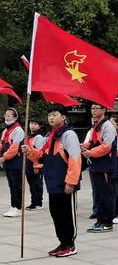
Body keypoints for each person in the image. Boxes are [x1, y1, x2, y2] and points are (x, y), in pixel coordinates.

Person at [23, 105, 81, 257]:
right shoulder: (50, 135)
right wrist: (28, 151)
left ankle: (70, 244)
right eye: (49, 115)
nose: (51, 117)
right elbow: (41, 155)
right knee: (56, 213)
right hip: (52, 182)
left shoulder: (69, 135)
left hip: (65, 183)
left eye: (55, 114)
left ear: (63, 117)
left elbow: (75, 159)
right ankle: (62, 242)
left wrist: (71, 182)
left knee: (66, 213)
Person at [81, 104, 117, 233]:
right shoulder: (95, 125)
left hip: (105, 165)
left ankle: (107, 222)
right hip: (96, 165)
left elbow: (106, 146)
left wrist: (91, 152)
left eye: (96, 108)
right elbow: (91, 142)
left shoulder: (108, 126)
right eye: (92, 108)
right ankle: (100, 220)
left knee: (106, 194)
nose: (93, 110)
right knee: (99, 194)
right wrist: (83, 146)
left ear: (104, 110)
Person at [1, 107, 24, 217]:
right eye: (6, 115)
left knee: (16, 185)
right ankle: (13, 205)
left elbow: (14, 148)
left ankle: (17, 207)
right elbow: (1, 144)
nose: (6, 117)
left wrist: (4, 157)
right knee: (11, 185)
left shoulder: (18, 130)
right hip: (7, 161)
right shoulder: (6, 130)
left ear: (15, 117)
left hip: (16, 161)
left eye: (9, 115)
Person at [24, 117, 45, 211]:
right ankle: (33, 202)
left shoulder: (39, 137)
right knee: (31, 184)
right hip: (28, 163)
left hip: (35, 163)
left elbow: (40, 153)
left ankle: (38, 203)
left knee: (36, 184)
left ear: (39, 126)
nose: (32, 126)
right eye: (31, 123)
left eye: (35, 124)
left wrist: (37, 165)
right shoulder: (28, 136)